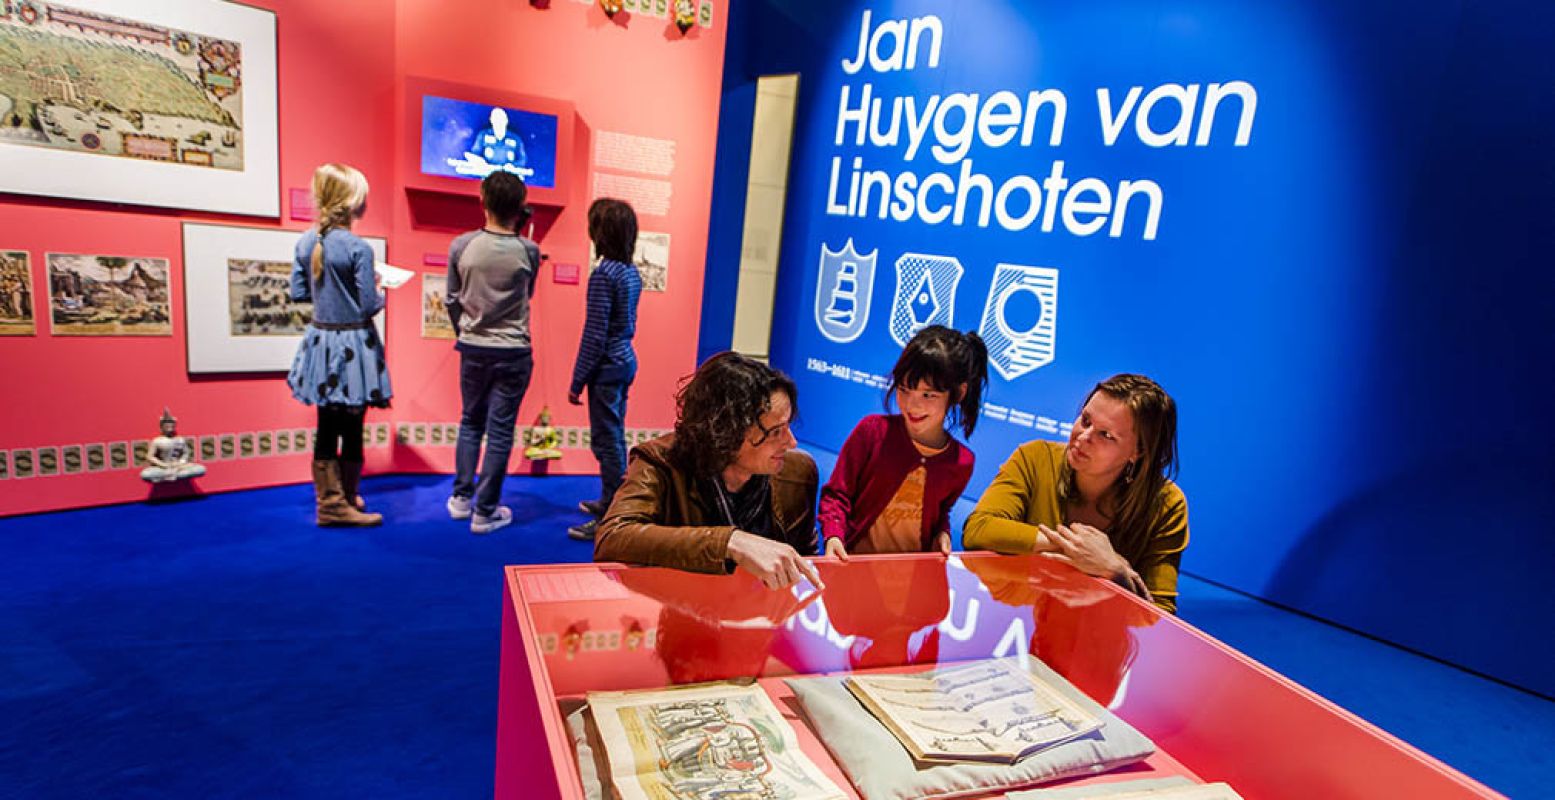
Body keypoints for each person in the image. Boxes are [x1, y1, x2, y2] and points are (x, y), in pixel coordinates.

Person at [594, 352, 823, 591]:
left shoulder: (797, 472)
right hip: (685, 610)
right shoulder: (661, 463)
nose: (791, 442)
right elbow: (613, 537)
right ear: (728, 431)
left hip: (766, 618)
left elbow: (806, 562)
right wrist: (729, 542)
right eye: (775, 431)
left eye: (788, 427)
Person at [963, 374, 1188, 613]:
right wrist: (1078, 550)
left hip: (1108, 637)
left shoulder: (1166, 504)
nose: (1083, 437)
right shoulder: (1035, 458)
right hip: (1028, 624)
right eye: (1086, 420)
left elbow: (1161, 613)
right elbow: (979, 529)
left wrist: (1116, 573)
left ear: (1138, 451)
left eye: (1106, 435)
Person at [818, 326, 987, 559]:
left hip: (913, 577)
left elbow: (940, 513)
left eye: (928, 395)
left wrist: (942, 534)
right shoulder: (872, 432)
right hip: (855, 566)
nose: (912, 404)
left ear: (958, 394)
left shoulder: (962, 462)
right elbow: (837, 494)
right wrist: (834, 535)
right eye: (905, 389)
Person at [287, 162, 389, 527]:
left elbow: (298, 292)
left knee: (326, 424)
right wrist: (380, 289)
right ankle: (339, 502)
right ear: (352, 202)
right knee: (352, 424)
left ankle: (336, 500)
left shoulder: (305, 241)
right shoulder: (358, 248)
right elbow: (368, 306)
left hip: (321, 342)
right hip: (353, 347)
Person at [443, 171, 540, 534]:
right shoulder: (528, 250)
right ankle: (485, 511)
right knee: (500, 431)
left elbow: (452, 299)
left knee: (471, 421)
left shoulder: (461, 246)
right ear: (520, 207)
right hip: (514, 350)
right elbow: (526, 296)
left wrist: (466, 331)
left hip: (473, 348)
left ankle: (461, 498)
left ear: (482, 201)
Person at [567, 198, 643, 541]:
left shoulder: (604, 275)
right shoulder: (630, 273)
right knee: (614, 434)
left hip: (607, 367)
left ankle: (614, 513)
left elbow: (594, 334)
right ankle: (610, 499)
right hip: (624, 360)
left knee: (607, 439)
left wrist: (577, 379)